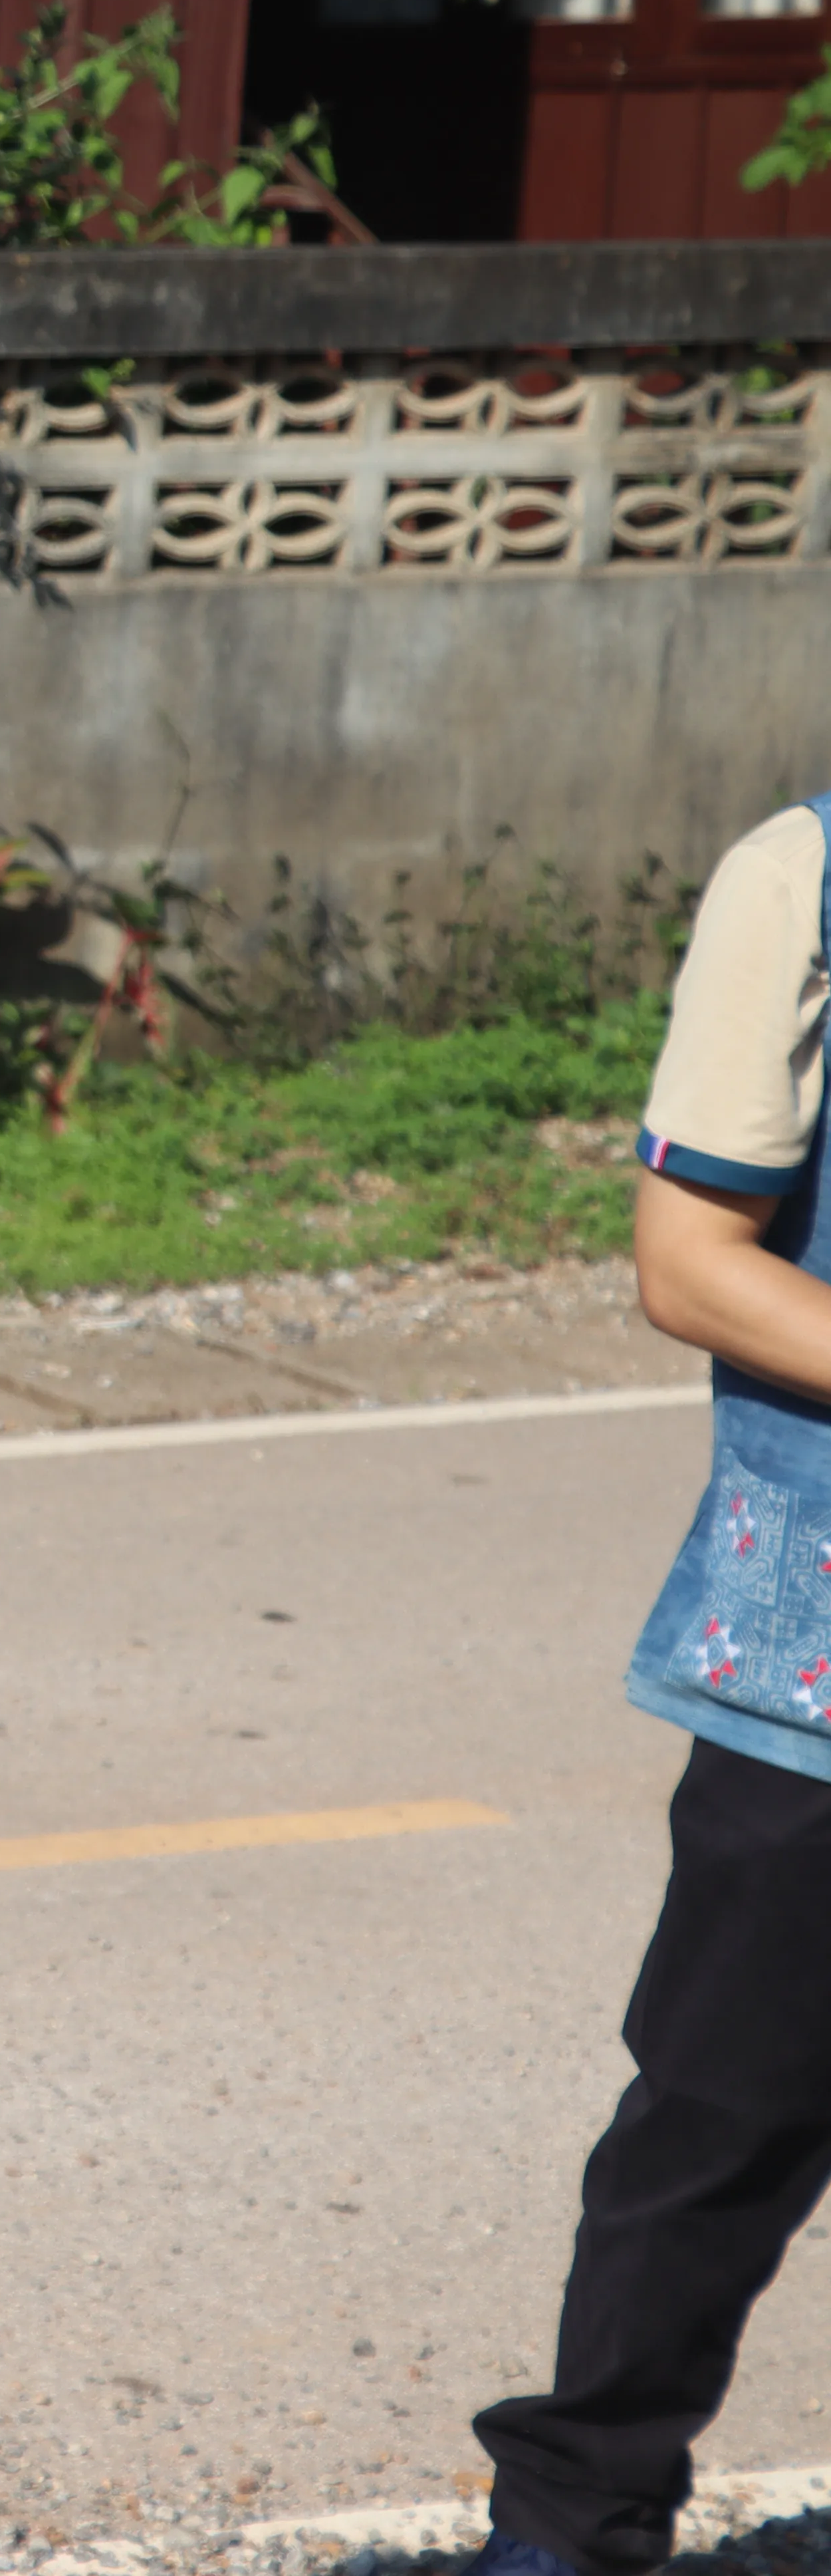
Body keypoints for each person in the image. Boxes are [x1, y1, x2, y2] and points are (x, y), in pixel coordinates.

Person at [470, 787, 831, 2576]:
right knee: (721, 2118)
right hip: (824, 1667)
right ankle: (576, 2518)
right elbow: (692, 1263)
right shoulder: (804, 881)